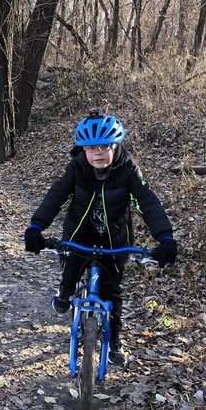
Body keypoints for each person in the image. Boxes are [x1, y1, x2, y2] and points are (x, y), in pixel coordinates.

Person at [24, 111, 177, 365]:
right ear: (82, 150)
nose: (98, 153)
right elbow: (56, 196)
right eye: (91, 148)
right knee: (72, 267)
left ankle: (114, 341)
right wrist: (36, 227)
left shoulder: (128, 169)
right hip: (79, 234)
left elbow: (147, 202)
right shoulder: (77, 169)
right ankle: (65, 293)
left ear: (115, 146)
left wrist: (166, 238)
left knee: (112, 294)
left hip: (114, 240)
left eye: (104, 146)